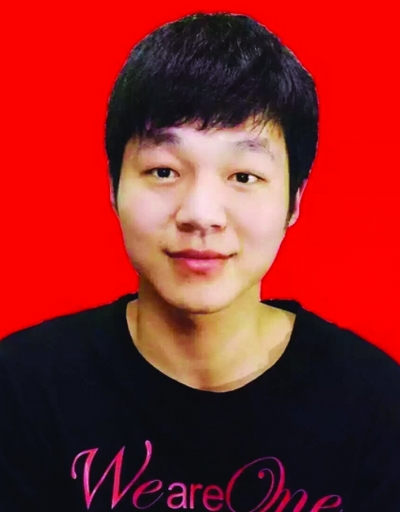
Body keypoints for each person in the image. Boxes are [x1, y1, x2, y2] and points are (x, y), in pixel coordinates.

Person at [0, 12, 399, 512]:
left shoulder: (374, 404)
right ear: (113, 186)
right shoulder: (24, 389)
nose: (200, 214)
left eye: (244, 176)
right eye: (163, 171)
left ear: (294, 201)